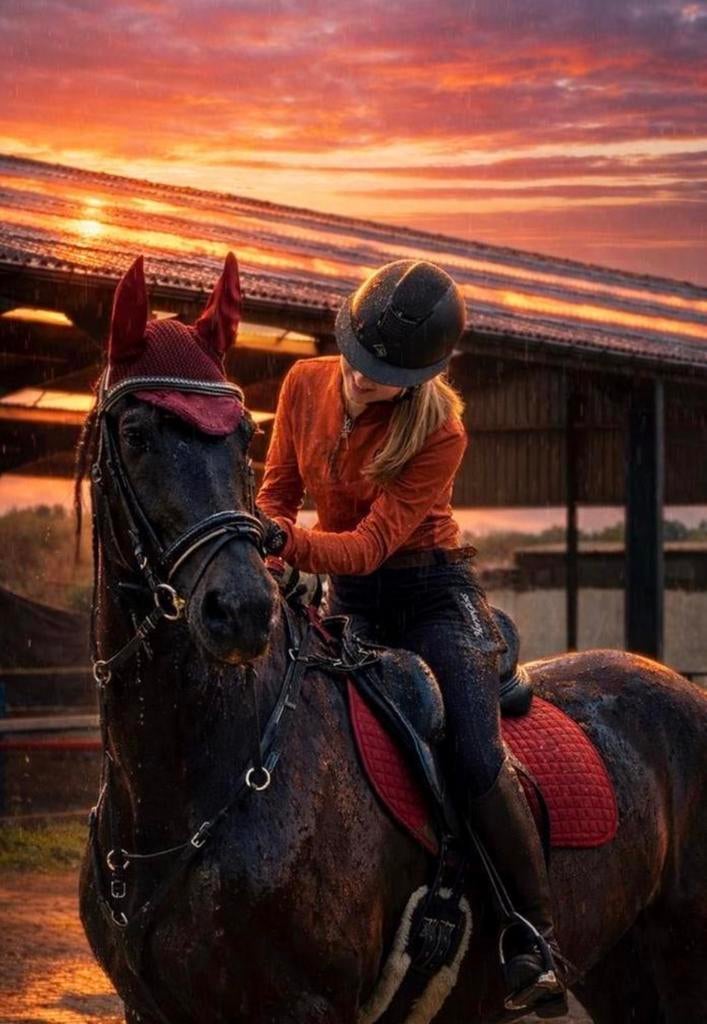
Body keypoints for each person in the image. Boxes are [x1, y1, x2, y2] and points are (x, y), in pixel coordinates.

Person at [256, 259, 567, 1017]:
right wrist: (265, 540)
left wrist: (285, 544)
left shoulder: (442, 431)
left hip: (431, 592)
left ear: (423, 375)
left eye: (383, 375)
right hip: (352, 599)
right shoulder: (303, 382)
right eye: (359, 363)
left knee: (470, 749)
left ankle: (532, 934)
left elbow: (366, 545)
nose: (362, 382)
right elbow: (276, 492)